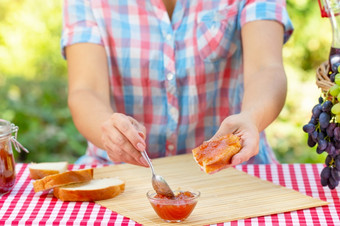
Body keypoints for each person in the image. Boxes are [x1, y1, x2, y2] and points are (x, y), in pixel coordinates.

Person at [61, 0, 293, 168]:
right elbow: (85, 90)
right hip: (119, 170)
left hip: (236, 168)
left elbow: (267, 68)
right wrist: (109, 131)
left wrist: (251, 117)